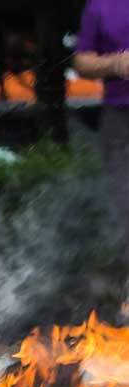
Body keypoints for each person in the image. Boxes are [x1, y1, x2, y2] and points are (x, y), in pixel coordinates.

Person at [75, 0, 129, 246]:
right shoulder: (99, 5)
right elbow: (82, 62)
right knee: (123, 201)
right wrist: (114, 64)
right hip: (118, 116)